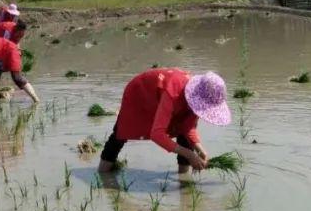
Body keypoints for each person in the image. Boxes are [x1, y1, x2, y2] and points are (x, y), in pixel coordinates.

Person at [98, 68, 229, 174]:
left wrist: (200, 150)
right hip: (140, 93)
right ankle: (102, 174)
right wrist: (190, 154)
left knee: (183, 135)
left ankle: (183, 179)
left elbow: (188, 128)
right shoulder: (173, 92)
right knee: (121, 133)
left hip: (164, 98)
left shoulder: (195, 102)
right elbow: (157, 135)